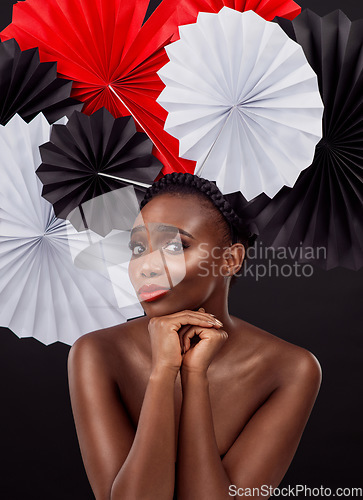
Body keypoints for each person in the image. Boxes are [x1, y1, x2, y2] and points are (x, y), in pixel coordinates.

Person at [67, 172, 322, 500]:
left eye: (174, 245)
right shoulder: (96, 353)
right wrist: (163, 373)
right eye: (137, 247)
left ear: (230, 260)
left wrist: (194, 375)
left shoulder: (291, 369)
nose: (146, 266)